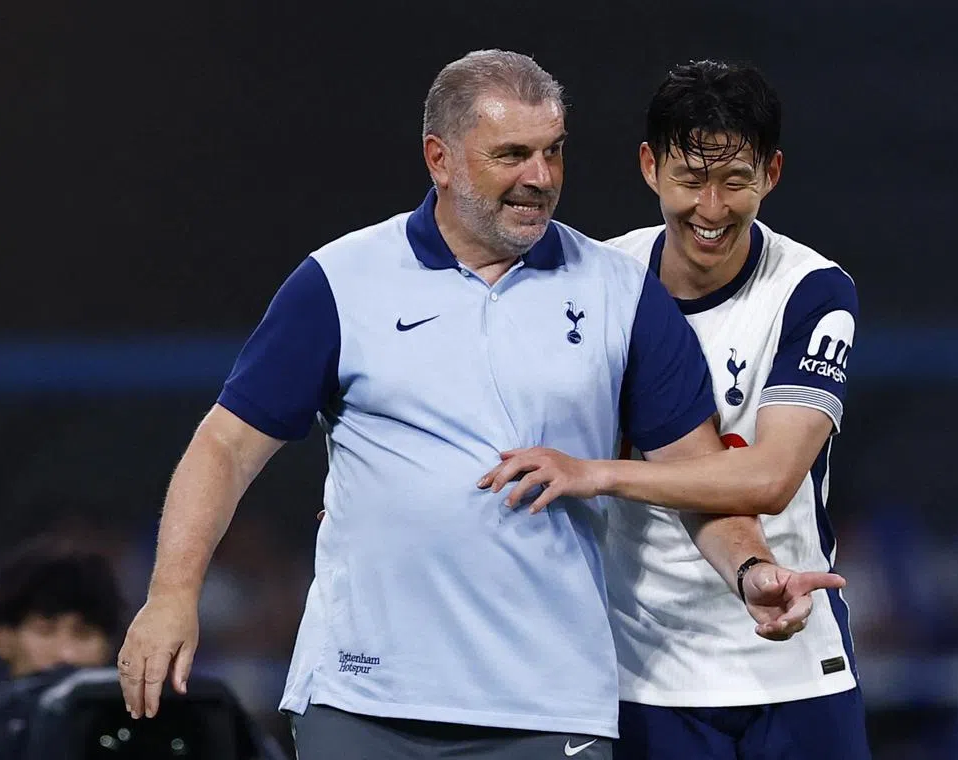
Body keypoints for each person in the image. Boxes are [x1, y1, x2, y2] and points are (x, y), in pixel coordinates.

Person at [116, 50, 840, 760]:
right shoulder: (340, 281)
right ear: (440, 158)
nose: (540, 178)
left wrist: (749, 573)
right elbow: (225, 446)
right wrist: (173, 593)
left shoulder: (620, 293)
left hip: (548, 708)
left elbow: (698, 477)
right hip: (364, 698)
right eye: (512, 155)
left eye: (553, 153)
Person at [480, 61, 872, 759]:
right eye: (691, 178)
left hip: (794, 668)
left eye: (736, 180)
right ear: (650, 167)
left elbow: (770, 480)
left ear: (772, 174)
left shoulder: (812, 292)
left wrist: (599, 473)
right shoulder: (599, 284)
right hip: (645, 682)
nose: (712, 209)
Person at [0, 535, 123, 754]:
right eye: (45, 631)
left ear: (109, 645)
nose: (65, 654)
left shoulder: (138, 732)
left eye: (83, 634)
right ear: (3, 639)